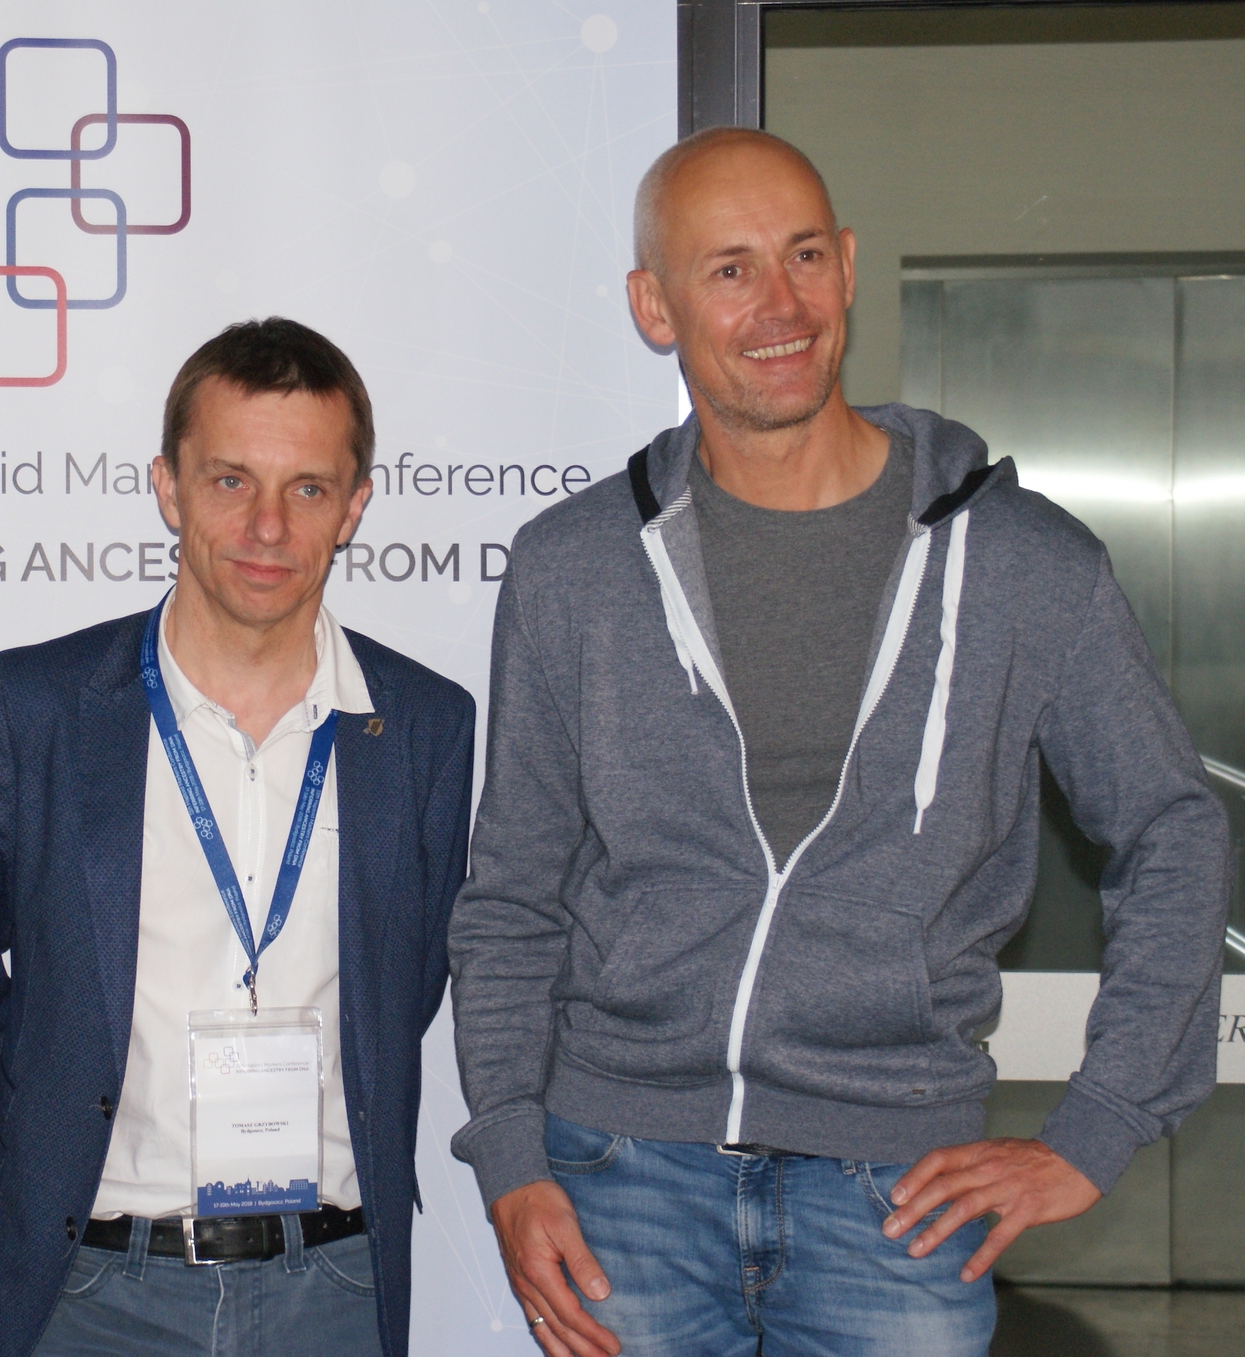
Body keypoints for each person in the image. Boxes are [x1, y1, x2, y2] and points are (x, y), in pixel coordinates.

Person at [448, 127, 1232, 1357]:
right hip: (619, 1179)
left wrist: (1096, 1128)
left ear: (849, 266)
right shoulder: (574, 567)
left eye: (803, 254)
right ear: (652, 306)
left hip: (897, 1195)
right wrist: (509, 1155)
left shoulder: (1024, 562)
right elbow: (511, 894)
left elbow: (1172, 832)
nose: (781, 304)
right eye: (729, 269)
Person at [0, 318, 475, 1357]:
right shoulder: (29, 707)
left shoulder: (425, 727)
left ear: (354, 506)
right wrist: (43, 1158)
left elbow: (413, 980)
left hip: (334, 1286)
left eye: (308, 487)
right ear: (167, 487)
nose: (267, 526)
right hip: (89, 1292)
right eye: (229, 481)